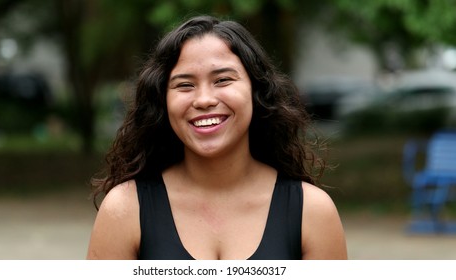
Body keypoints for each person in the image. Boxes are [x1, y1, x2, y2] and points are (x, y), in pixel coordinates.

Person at [87, 15, 347, 260]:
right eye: (185, 85)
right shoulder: (125, 210)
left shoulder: (311, 212)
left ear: (256, 91)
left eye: (222, 80)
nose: (204, 100)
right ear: (162, 102)